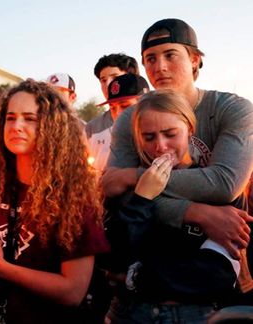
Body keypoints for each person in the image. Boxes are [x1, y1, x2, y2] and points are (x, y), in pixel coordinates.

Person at [102, 18, 253, 319]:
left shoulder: (232, 109)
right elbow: (114, 197)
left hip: (214, 273)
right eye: (150, 59)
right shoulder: (131, 119)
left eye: (171, 54)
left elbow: (224, 183)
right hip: (146, 272)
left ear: (195, 59)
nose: (160, 66)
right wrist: (197, 211)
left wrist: (134, 179)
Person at [0, 79, 109, 324]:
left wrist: (3, 268)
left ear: (53, 128)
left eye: (30, 118)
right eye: (11, 118)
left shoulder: (73, 199)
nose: (16, 126)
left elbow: (72, 292)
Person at [105, 90, 241, 323]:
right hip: (132, 312)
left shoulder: (214, 187)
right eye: (149, 137)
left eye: (170, 134)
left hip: (196, 314)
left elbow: (215, 274)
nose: (160, 146)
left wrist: (136, 275)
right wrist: (143, 198)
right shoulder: (131, 188)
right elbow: (115, 256)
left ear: (190, 128)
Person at [88, 73, 149, 172]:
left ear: (145, 103)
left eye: (125, 106)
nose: (118, 113)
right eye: (112, 108)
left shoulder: (162, 133)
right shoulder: (119, 139)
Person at [85, 53, 139, 140]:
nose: (108, 84)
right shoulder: (92, 128)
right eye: (103, 80)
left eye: (115, 78)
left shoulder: (153, 118)